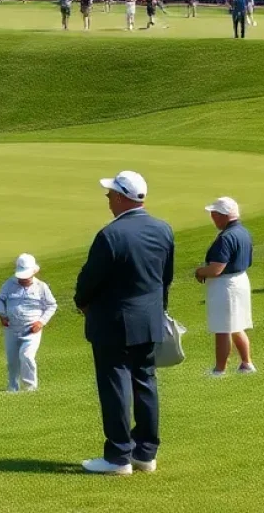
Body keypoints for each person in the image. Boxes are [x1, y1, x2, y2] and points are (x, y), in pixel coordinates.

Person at [75, 171, 175, 476]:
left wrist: (82, 302)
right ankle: (145, 454)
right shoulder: (163, 229)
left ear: (121, 197)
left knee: (115, 384)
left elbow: (89, 281)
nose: (107, 201)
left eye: (109, 196)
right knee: (145, 381)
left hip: (113, 322)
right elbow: (165, 277)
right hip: (149, 319)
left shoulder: (110, 235)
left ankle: (118, 457)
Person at [195, 198, 256, 376]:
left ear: (224, 215)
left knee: (222, 328)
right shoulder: (243, 232)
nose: (212, 218)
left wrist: (200, 271)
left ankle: (219, 370)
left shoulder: (226, 237)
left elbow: (216, 269)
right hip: (240, 280)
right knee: (236, 325)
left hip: (226, 285)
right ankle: (246, 363)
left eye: (214, 214)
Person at [0, 253, 58, 392]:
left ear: (34, 272)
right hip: (11, 328)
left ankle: (30, 388)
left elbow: (52, 305)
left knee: (27, 355)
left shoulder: (41, 287)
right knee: (12, 361)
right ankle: (13, 388)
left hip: (31, 330)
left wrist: (41, 322)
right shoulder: (9, 284)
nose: (23, 279)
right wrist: (2, 315)